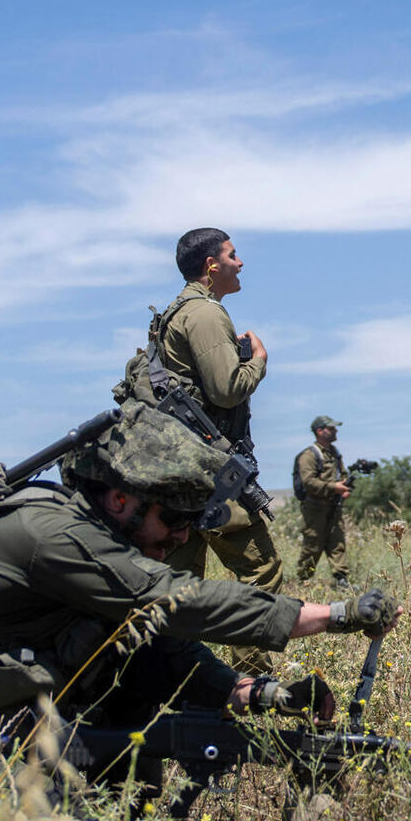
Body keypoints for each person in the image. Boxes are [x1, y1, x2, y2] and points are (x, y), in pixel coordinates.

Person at [0, 404, 397, 802]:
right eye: (175, 520)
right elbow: (170, 601)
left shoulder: (93, 536)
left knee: (132, 773)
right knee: (66, 818)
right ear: (120, 497)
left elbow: (157, 647)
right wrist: (333, 615)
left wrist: (253, 693)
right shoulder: (50, 535)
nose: (182, 538)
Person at [147, 227, 284, 675]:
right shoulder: (205, 314)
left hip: (179, 473)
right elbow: (226, 390)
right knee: (260, 571)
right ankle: (251, 687)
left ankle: (178, 686)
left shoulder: (174, 313)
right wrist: (258, 360)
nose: (240, 262)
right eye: (232, 254)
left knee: (180, 588)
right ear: (212, 266)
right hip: (208, 474)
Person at [293, 416, 352, 589]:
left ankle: (341, 580)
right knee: (313, 544)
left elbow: (343, 475)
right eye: (331, 428)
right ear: (320, 431)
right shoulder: (309, 455)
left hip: (334, 506)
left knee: (337, 542)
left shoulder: (335, 453)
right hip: (315, 507)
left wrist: (344, 488)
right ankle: (303, 581)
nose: (336, 431)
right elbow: (308, 481)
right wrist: (334, 487)